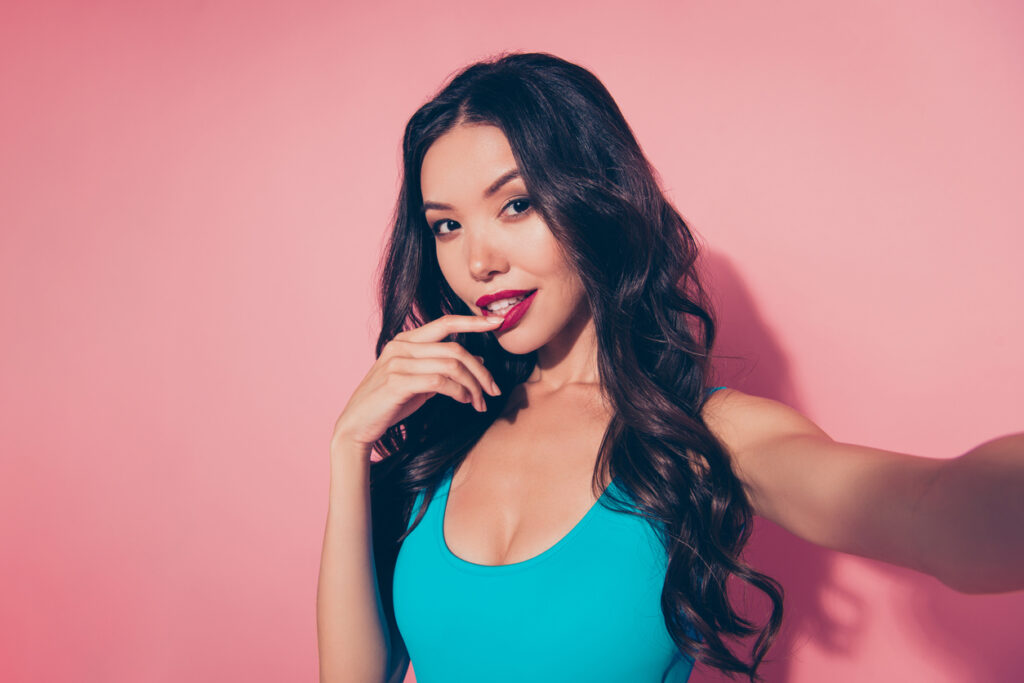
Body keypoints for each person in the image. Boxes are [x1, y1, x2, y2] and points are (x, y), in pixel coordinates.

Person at [316, 51, 1024, 683]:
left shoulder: (700, 435)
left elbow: (934, 510)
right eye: (448, 224)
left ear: (593, 199)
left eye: (517, 204)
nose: (478, 261)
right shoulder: (442, 431)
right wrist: (349, 447)